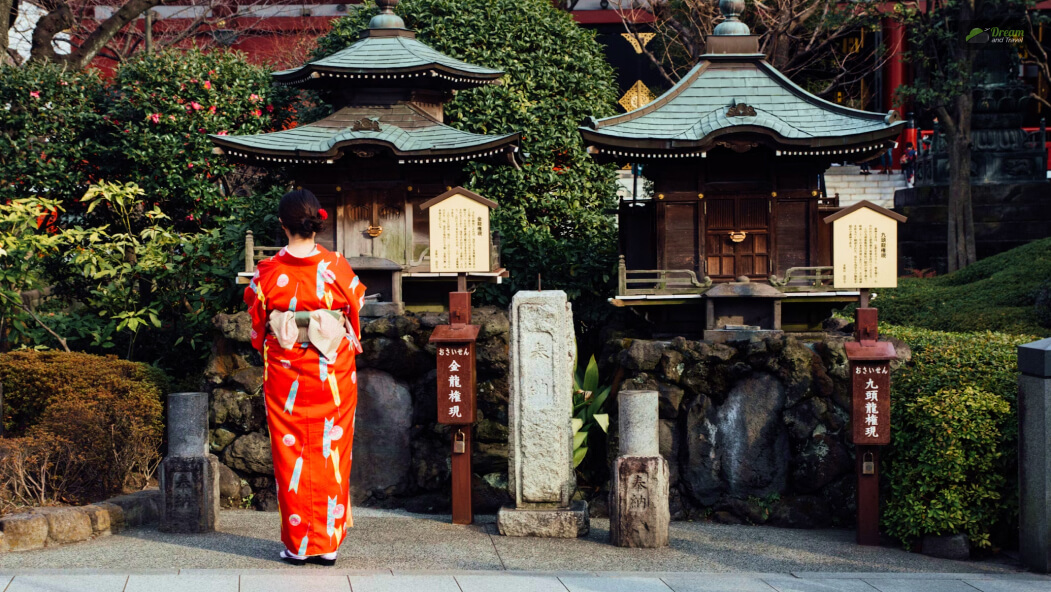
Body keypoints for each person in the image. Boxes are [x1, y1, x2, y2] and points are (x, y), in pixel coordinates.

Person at [243, 189, 367, 566]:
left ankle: (299, 544)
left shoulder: (267, 271)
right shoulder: (337, 266)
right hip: (332, 370)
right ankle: (327, 542)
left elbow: (257, 322)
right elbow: (356, 307)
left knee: (291, 450)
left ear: (282, 225)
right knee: (332, 450)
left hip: (286, 370)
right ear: (317, 223)